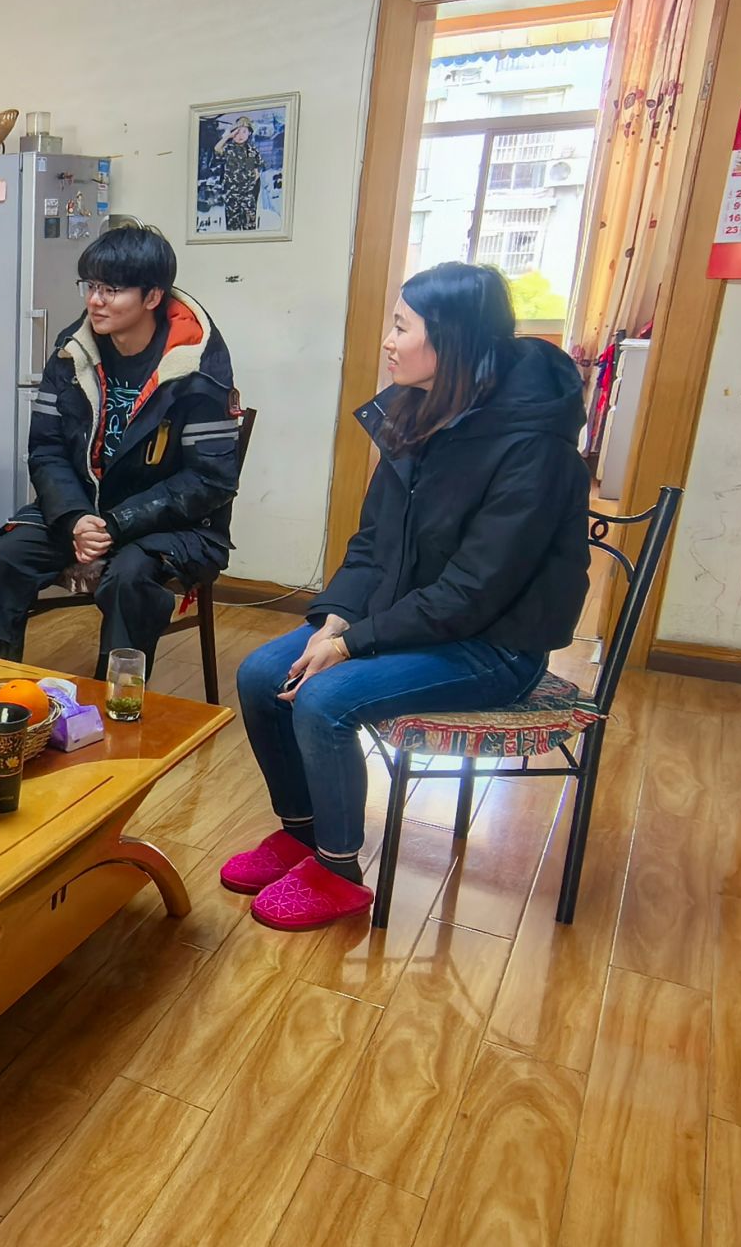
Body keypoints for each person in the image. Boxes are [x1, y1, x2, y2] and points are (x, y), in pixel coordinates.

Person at [223, 263, 590, 931]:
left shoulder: (534, 449)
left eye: (401, 327)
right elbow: (372, 543)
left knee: (326, 700)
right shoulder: (415, 413)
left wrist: (351, 646)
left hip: (493, 645)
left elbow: (473, 592)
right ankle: (302, 832)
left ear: (451, 340)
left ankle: (337, 869)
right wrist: (335, 619)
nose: (388, 341)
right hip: (410, 620)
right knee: (259, 675)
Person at [0, 223, 240, 674]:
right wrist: (76, 519)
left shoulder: (196, 365)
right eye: (91, 286)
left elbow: (210, 479)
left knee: (128, 581)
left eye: (111, 290)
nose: (95, 300)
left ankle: (116, 703)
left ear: (152, 296)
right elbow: (47, 449)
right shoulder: (72, 352)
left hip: (172, 525)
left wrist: (118, 523)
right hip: (82, 509)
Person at [213, 115, 264, 232]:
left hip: (248, 196)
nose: (240, 135)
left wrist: (251, 190)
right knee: (232, 229)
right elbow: (217, 149)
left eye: (244, 132)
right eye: (237, 132)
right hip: (232, 195)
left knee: (249, 228)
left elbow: (256, 172)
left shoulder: (253, 151)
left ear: (249, 133)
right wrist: (228, 136)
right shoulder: (228, 149)